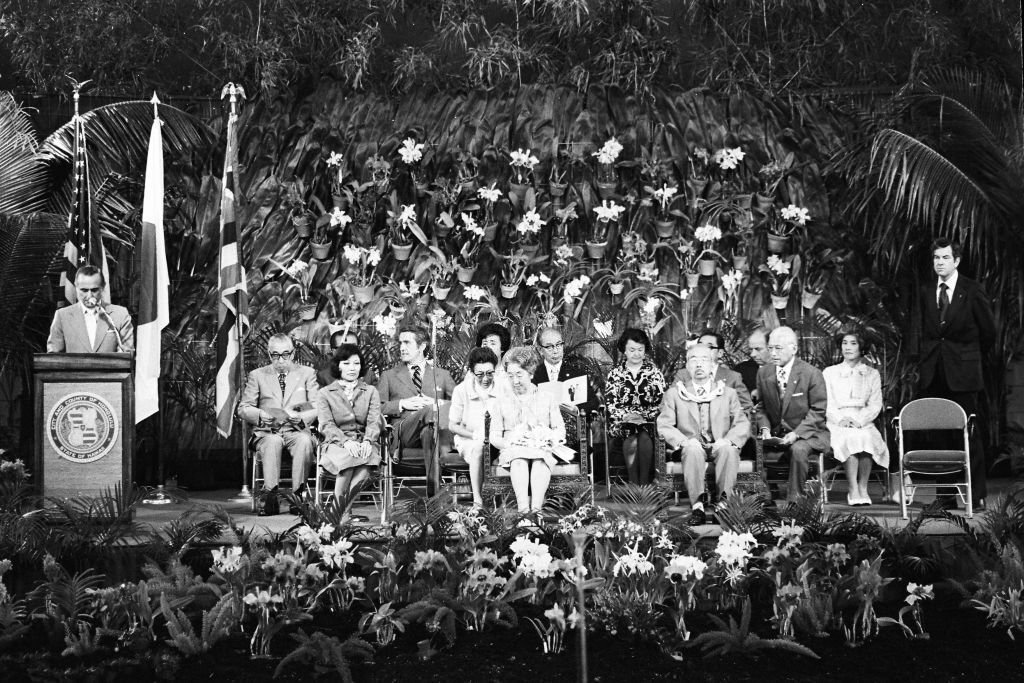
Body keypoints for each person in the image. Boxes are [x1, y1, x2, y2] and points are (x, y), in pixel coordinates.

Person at [910, 238, 996, 510]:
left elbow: (989, 332)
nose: (940, 263)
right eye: (936, 258)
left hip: (964, 374)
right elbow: (919, 330)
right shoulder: (926, 290)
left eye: (945, 257)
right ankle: (945, 496)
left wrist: (966, 356)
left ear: (956, 261)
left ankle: (976, 494)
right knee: (940, 436)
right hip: (934, 373)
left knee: (969, 433)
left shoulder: (972, 290)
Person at [657, 344, 750, 525]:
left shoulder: (727, 393)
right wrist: (684, 441)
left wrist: (727, 441)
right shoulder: (675, 394)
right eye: (694, 359)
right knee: (693, 450)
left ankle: (723, 506)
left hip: (719, 445)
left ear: (712, 365)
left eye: (704, 359)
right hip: (691, 446)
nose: (699, 364)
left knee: (729, 450)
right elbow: (664, 425)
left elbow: (742, 423)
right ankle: (697, 507)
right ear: (687, 365)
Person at [237, 333, 320, 500]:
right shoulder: (257, 375)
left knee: (304, 441)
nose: (281, 360)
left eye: (285, 354)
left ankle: (298, 495)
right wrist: (260, 414)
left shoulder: (307, 373)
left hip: (296, 430)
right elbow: (243, 408)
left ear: (293, 353)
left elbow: (318, 405)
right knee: (272, 442)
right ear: (269, 354)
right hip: (268, 431)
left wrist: (301, 418)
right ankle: (271, 495)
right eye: (275, 355)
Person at [377, 324, 456, 496]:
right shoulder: (388, 376)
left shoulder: (442, 375)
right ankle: (430, 414)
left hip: (434, 433)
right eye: (400, 343)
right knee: (430, 412)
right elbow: (376, 407)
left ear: (422, 346)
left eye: (407, 343)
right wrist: (402, 404)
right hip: (404, 433)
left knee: (429, 432)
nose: (402, 348)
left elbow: (459, 404)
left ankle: (434, 496)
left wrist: (437, 403)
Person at [755, 326, 830, 503]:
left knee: (798, 450)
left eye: (778, 348)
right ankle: (764, 500)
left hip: (808, 434)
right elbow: (761, 407)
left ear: (793, 349)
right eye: (770, 348)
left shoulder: (812, 374)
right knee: (752, 447)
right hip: (776, 434)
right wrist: (765, 429)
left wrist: (796, 434)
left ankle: (795, 502)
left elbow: (818, 411)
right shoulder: (764, 372)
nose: (773, 353)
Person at [490, 345, 566, 514]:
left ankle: (536, 512)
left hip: (541, 448)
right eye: (510, 376)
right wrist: (509, 443)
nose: (515, 381)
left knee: (540, 460)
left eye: (519, 375)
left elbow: (560, 430)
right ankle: (523, 513)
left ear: (530, 374)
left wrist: (548, 439)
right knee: (519, 459)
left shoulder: (547, 398)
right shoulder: (501, 401)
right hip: (512, 450)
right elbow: (494, 436)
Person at [822, 331, 889, 506]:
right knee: (850, 437)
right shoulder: (829, 372)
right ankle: (852, 488)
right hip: (837, 421)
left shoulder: (872, 373)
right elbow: (827, 401)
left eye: (853, 343)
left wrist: (860, 420)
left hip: (863, 420)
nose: (848, 347)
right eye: (845, 343)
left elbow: (875, 404)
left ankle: (863, 487)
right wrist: (840, 419)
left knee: (866, 437)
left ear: (861, 347)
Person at [317, 343, 382, 505]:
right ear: (338, 366)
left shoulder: (371, 391)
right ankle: (341, 509)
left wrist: (368, 441)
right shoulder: (325, 393)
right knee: (349, 458)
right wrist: (345, 442)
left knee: (366, 458)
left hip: (364, 441)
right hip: (336, 443)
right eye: (346, 363)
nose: (352, 368)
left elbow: (374, 421)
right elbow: (326, 424)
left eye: (356, 363)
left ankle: (339, 509)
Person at [604, 328, 666, 484]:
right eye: (632, 350)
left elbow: (661, 402)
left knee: (644, 435)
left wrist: (643, 417)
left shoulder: (655, 373)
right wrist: (626, 416)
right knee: (631, 434)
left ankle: (643, 483)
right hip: (622, 421)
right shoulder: (615, 374)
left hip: (648, 421)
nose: (636, 354)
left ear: (645, 350)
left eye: (640, 349)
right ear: (624, 350)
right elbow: (611, 403)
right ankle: (633, 482)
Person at [448, 347, 500, 508]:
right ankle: (478, 500)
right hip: (469, 438)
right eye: (480, 374)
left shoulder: (503, 388)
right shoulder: (461, 390)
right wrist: (475, 436)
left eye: (490, 373)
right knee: (478, 449)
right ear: (471, 372)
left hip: (496, 438)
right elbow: (452, 426)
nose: (485, 378)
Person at [47, 265, 134, 353]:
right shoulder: (62, 316)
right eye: (84, 290)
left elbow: (127, 354)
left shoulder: (120, 315)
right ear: (76, 287)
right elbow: (53, 356)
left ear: (103, 287)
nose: (89, 296)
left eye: (94, 290)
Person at [673, 329, 753, 415]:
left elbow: (747, 407)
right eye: (700, 346)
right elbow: (668, 404)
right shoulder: (683, 375)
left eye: (709, 347)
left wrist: (728, 419)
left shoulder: (733, 377)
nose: (703, 350)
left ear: (720, 353)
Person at [532, 327, 598, 414]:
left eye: (558, 345)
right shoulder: (532, 375)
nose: (555, 351)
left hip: (571, 421)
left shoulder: (578, 373)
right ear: (540, 350)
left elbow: (594, 403)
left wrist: (577, 409)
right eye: (549, 347)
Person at [734, 328, 769, 397]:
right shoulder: (741, 371)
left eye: (758, 349)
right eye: (751, 349)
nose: (752, 354)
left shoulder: (787, 369)